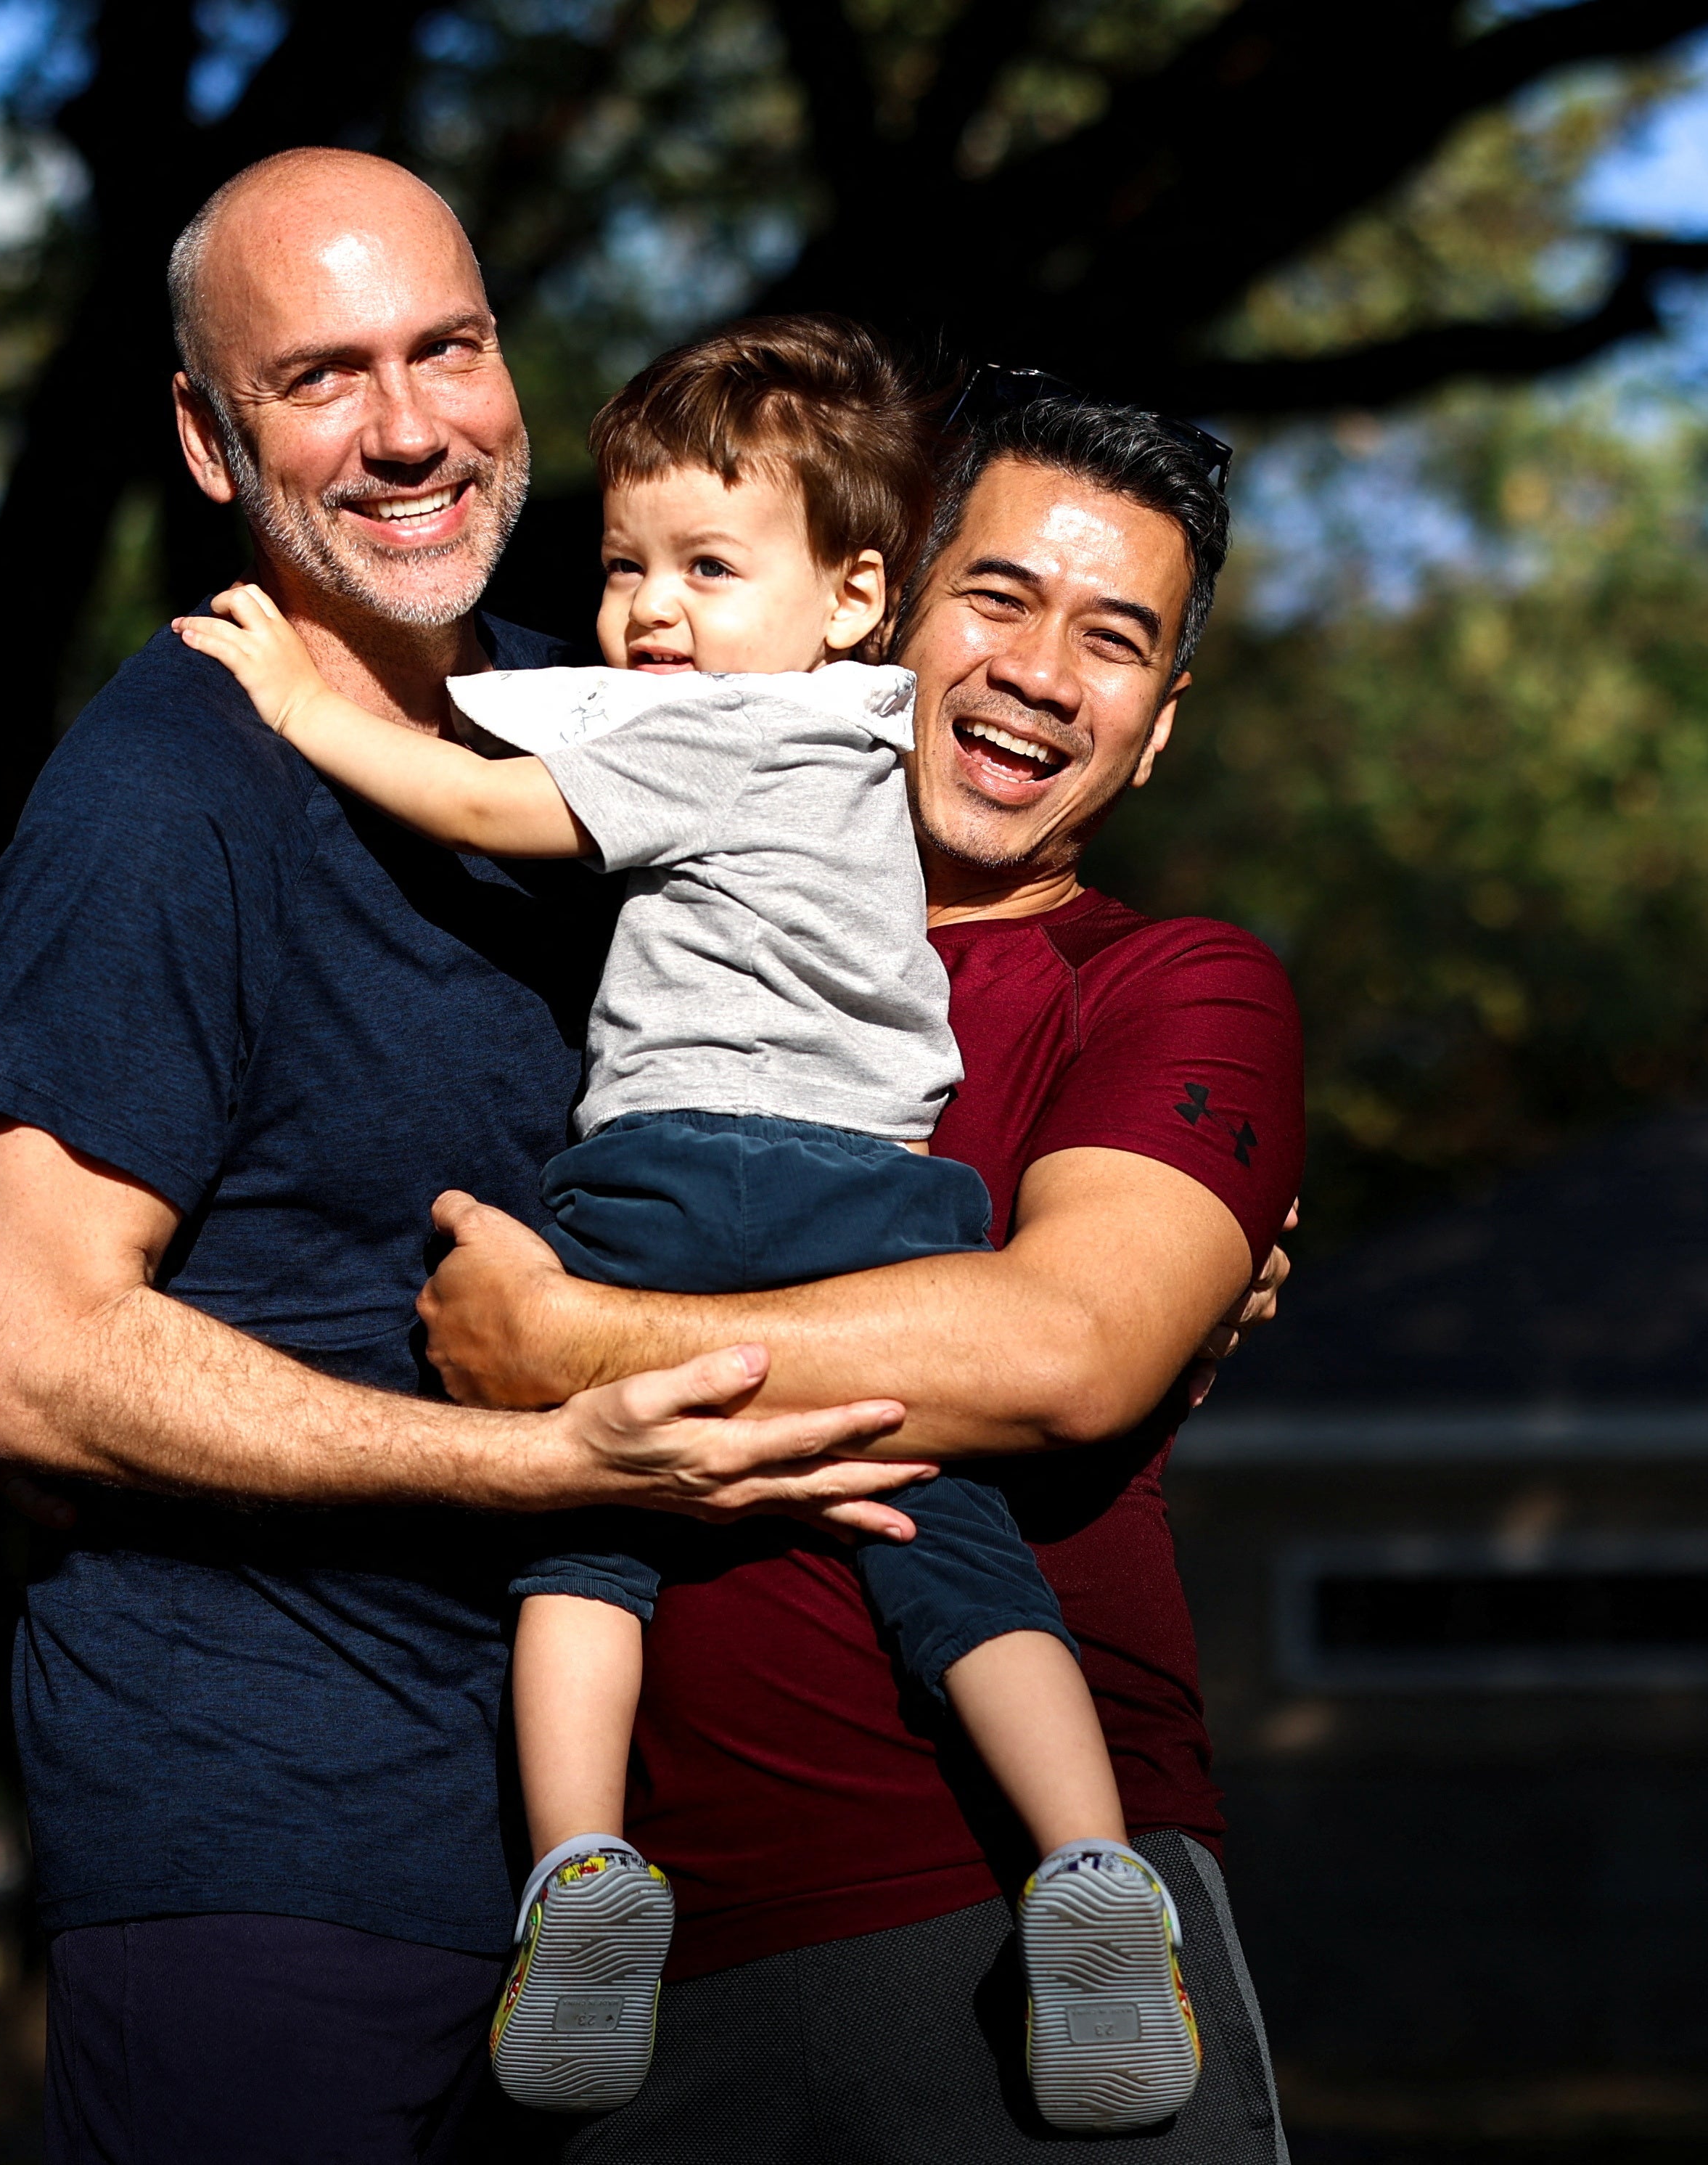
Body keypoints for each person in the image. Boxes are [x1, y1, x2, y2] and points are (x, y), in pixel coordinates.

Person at [0, 150, 943, 2165]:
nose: (407, 430)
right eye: (318, 378)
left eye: (447, 349)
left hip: (618, 1857)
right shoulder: (167, 786)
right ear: (209, 444)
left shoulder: (611, 729)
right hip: (273, 1841)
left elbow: (811, 1053)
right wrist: (547, 1464)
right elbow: (33, 1360)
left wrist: (1147, 1221)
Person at [176, 316, 1196, 2135]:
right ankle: (1089, 1861)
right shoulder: (885, 725)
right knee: (952, 1545)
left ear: (851, 591)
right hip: (883, 1211)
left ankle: (578, 1866)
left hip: (665, 1180)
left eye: (703, 569)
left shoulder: (703, 733)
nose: (647, 613)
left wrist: (300, 703)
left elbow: (486, 790)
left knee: (584, 1526)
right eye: (624, 569)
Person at [414, 376, 1305, 2163]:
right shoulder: (630, 923)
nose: (1042, 672)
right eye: (995, 598)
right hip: (628, 1962)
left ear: (1158, 724)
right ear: (881, 606)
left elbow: (1062, 1349)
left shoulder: (1171, 986)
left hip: (1008, 1927)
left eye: (1110, 638)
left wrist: (568, 1342)